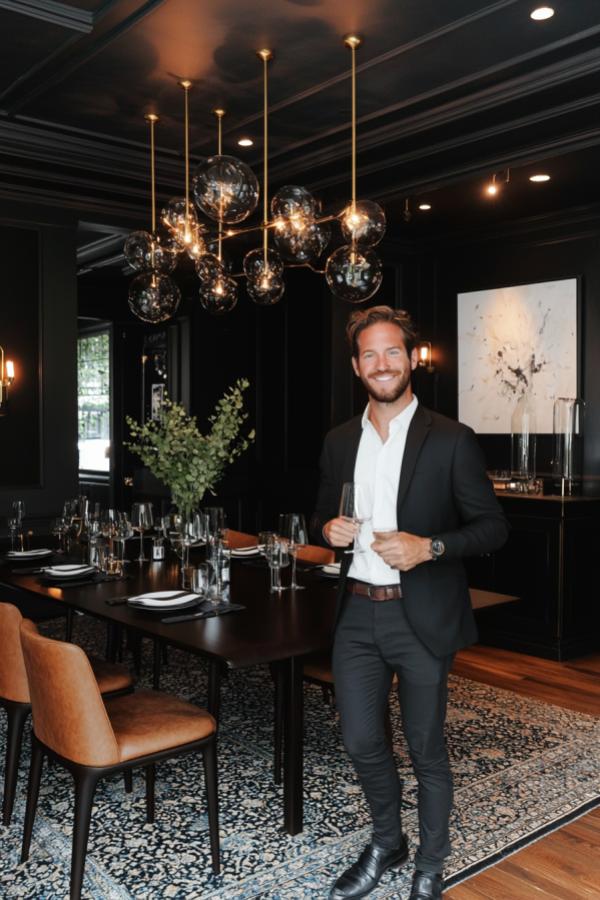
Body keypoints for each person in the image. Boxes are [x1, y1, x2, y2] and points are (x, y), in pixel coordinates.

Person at [312, 306, 509, 900]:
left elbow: (492, 527)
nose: (382, 364)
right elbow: (323, 510)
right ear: (356, 366)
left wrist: (431, 546)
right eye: (369, 355)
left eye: (392, 352)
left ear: (412, 359)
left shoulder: (452, 439)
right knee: (360, 741)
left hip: (420, 615)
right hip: (356, 612)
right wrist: (328, 531)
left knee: (424, 745)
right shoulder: (339, 440)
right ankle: (387, 842)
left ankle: (431, 862)